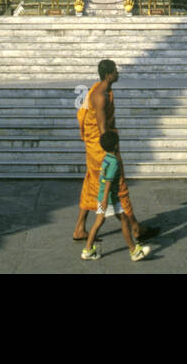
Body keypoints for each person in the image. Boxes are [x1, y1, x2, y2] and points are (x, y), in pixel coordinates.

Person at [73, 59, 158, 241]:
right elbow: (103, 131)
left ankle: (80, 228)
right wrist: (113, 155)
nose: (118, 74)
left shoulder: (102, 90)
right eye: (116, 71)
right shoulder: (101, 95)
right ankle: (135, 228)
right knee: (118, 187)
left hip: (96, 147)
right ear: (109, 74)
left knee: (91, 183)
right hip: (101, 148)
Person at [80, 131, 150, 262]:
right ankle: (133, 250)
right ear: (116, 145)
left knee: (98, 222)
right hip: (110, 198)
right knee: (124, 220)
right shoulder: (114, 163)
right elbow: (108, 181)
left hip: (101, 196)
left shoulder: (106, 158)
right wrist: (106, 199)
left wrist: (102, 198)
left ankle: (88, 250)